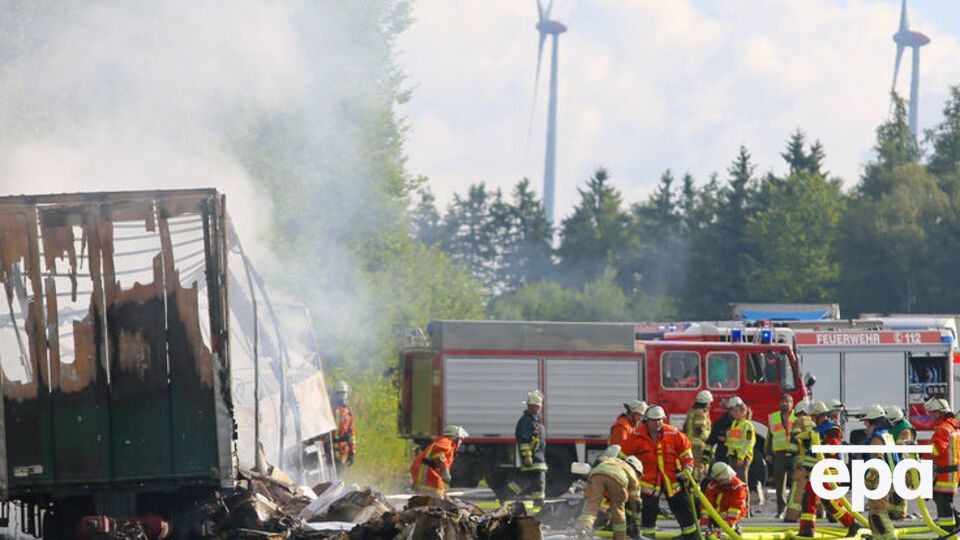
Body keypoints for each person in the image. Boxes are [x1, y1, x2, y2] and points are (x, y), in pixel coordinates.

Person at [632, 405, 702, 540]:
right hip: (648, 481)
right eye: (654, 420)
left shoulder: (674, 434)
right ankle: (648, 536)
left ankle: (690, 535)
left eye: (660, 419)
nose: (658, 422)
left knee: (682, 506)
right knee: (648, 509)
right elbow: (625, 456)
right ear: (647, 420)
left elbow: (686, 453)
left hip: (673, 479)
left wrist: (687, 469)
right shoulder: (636, 436)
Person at [796, 401, 860, 538]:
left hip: (829, 471)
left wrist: (817, 442)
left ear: (818, 416)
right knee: (811, 499)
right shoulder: (816, 431)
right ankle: (807, 529)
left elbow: (832, 447)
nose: (811, 419)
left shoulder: (832, 429)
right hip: (818, 471)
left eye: (812, 416)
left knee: (829, 501)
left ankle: (851, 523)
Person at [574, 449, 644, 540]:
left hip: (596, 474)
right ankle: (620, 537)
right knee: (618, 509)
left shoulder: (614, 461)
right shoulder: (632, 473)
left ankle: (584, 529)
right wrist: (636, 525)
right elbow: (636, 503)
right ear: (637, 470)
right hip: (618, 478)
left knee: (591, 505)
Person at [860, 404, 897, 540]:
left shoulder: (877, 438)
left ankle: (890, 537)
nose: (865, 424)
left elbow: (878, 459)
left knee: (878, 514)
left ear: (871, 421)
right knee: (875, 514)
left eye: (866, 421)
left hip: (879, 480)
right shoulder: (886, 435)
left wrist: (869, 478)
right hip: (886, 478)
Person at [506, 390, 548, 507]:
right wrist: (527, 456)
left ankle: (504, 495)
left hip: (538, 458)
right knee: (537, 482)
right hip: (534, 459)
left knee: (525, 482)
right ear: (530, 406)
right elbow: (523, 440)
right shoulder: (525, 421)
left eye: (540, 406)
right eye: (537, 406)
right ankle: (539, 505)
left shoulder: (534, 420)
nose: (539, 409)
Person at [925, 397, 960, 531]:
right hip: (951, 472)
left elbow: (937, 450)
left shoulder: (943, 429)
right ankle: (954, 523)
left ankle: (947, 532)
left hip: (946, 473)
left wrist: (923, 450)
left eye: (934, 412)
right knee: (943, 500)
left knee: (943, 503)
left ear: (941, 412)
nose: (932, 415)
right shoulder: (953, 427)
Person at [410, 425, 468, 498]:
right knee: (436, 493)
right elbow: (439, 454)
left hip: (426, 468)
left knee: (439, 492)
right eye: (460, 439)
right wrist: (444, 471)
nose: (461, 442)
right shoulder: (446, 441)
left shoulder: (448, 443)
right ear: (455, 438)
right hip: (425, 468)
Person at [783, 399, 815, 522]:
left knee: (797, 489)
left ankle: (791, 515)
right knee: (812, 490)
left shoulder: (799, 422)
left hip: (801, 461)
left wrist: (789, 456)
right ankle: (819, 515)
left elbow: (795, 440)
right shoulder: (813, 424)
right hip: (812, 461)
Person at [765, 394, 795, 516]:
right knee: (780, 482)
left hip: (795, 453)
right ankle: (781, 509)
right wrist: (768, 453)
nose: (785, 404)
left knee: (796, 482)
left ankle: (793, 509)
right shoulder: (774, 418)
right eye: (783, 401)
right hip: (779, 453)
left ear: (792, 404)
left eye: (788, 402)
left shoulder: (797, 417)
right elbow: (769, 437)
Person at [700, 462, 748, 535]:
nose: (721, 482)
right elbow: (706, 505)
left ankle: (735, 528)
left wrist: (726, 526)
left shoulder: (738, 487)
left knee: (728, 529)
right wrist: (704, 524)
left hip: (733, 515)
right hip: (717, 515)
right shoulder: (712, 486)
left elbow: (735, 509)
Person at [886, 405, 916, 520]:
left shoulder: (905, 429)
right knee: (894, 490)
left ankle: (900, 514)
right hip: (898, 463)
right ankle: (893, 513)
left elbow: (900, 445)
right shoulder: (897, 426)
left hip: (906, 464)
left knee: (902, 491)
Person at [724, 396, 755, 507]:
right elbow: (733, 441)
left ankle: (746, 506)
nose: (733, 413)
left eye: (736, 411)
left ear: (743, 412)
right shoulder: (734, 424)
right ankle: (736, 504)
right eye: (732, 411)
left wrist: (741, 457)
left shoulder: (748, 425)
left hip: (742, 458)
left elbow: (748, 442)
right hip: (733, 456)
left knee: (742, 482)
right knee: (733, 482)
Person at [684, 390, 713, 481]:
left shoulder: (692, 411)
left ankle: (691, 485)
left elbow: (686, 427)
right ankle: (696, 487)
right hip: (698, 444)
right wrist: (709, 440)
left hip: (690, 443)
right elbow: (699, 429)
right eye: (709, 402)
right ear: (705, 402)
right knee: (698, 466)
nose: (710, 405)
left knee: (692, 464)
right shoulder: (701, 413)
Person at [331, 380, 355, 472]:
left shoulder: (348, 411)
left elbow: (351, 434)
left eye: (344, 394)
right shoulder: (329, 409)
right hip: (330, 449)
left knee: (339, 476)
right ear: (335, 395)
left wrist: (352, 452)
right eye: (340, 394)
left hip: (343, 450)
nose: (342, 397)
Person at [703, 399, 734, 467]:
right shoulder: (720, 423)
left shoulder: (744, 424)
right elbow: (710, 441)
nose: (735, 412)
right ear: (729, 410)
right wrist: (705, 459)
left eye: (737, 410)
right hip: (722, 456)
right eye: (733, 410)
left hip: (737, 458)